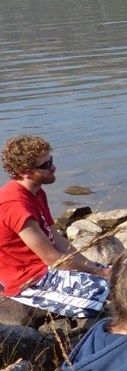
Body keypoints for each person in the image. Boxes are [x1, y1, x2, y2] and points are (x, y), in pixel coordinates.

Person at [0, 134, 109, 318]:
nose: (54, 167)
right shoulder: (15, 204)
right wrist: (99, 272)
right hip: (29, 279)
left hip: (45, 267)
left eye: (51, 160)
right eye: (45, 166)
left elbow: (56, 238)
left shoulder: (36, 192)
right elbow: (52, 258)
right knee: (104, 295)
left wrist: (94, 266)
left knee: (119, 278)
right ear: (24, 171)